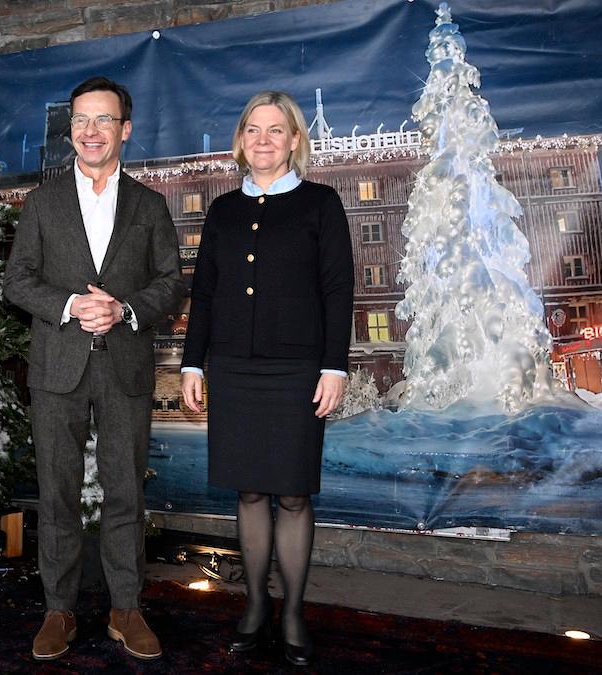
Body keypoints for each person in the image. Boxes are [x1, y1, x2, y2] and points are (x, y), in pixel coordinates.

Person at [3, 76, 186, 662]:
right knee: (57, 495)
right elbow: (17, 280)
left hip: (125, 368)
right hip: (57, 367)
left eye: (103, 120)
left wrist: (125, 309)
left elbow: (170, 284)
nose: (90, 131)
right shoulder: (43, 200)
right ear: (71, 130)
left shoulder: (149, 205)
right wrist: (71, 306)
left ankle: (125, 609)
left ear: (124, 130)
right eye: (81, 120)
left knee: (125, 493)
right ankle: (59, 610)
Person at [180, 91, 353, 667]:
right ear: (240, 140)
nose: (262, 140)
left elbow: (337, 291)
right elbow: (203, 293)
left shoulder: (321, 204)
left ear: (294, 141)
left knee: (294, 494)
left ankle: (294, 610)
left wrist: (335, 367)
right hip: (232, 366)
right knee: (250, 490)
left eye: (275, 131)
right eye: (253, 129)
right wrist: (192, 362)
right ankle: (255, 605)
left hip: (298, 369)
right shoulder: (223, 210)